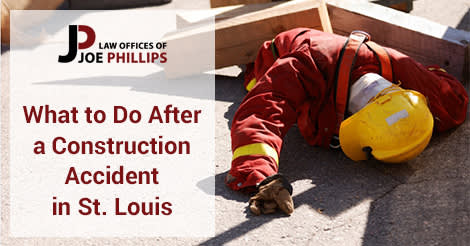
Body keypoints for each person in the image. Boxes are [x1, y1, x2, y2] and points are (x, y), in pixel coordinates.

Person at [225, 28, 468, 216]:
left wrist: (423, 94)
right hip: (277, 53)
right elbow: (262, 113)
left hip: (338, 54)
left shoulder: (402, 71)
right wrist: (259, 176)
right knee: (255, 87)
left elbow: (452, 99)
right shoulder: (306, 65)